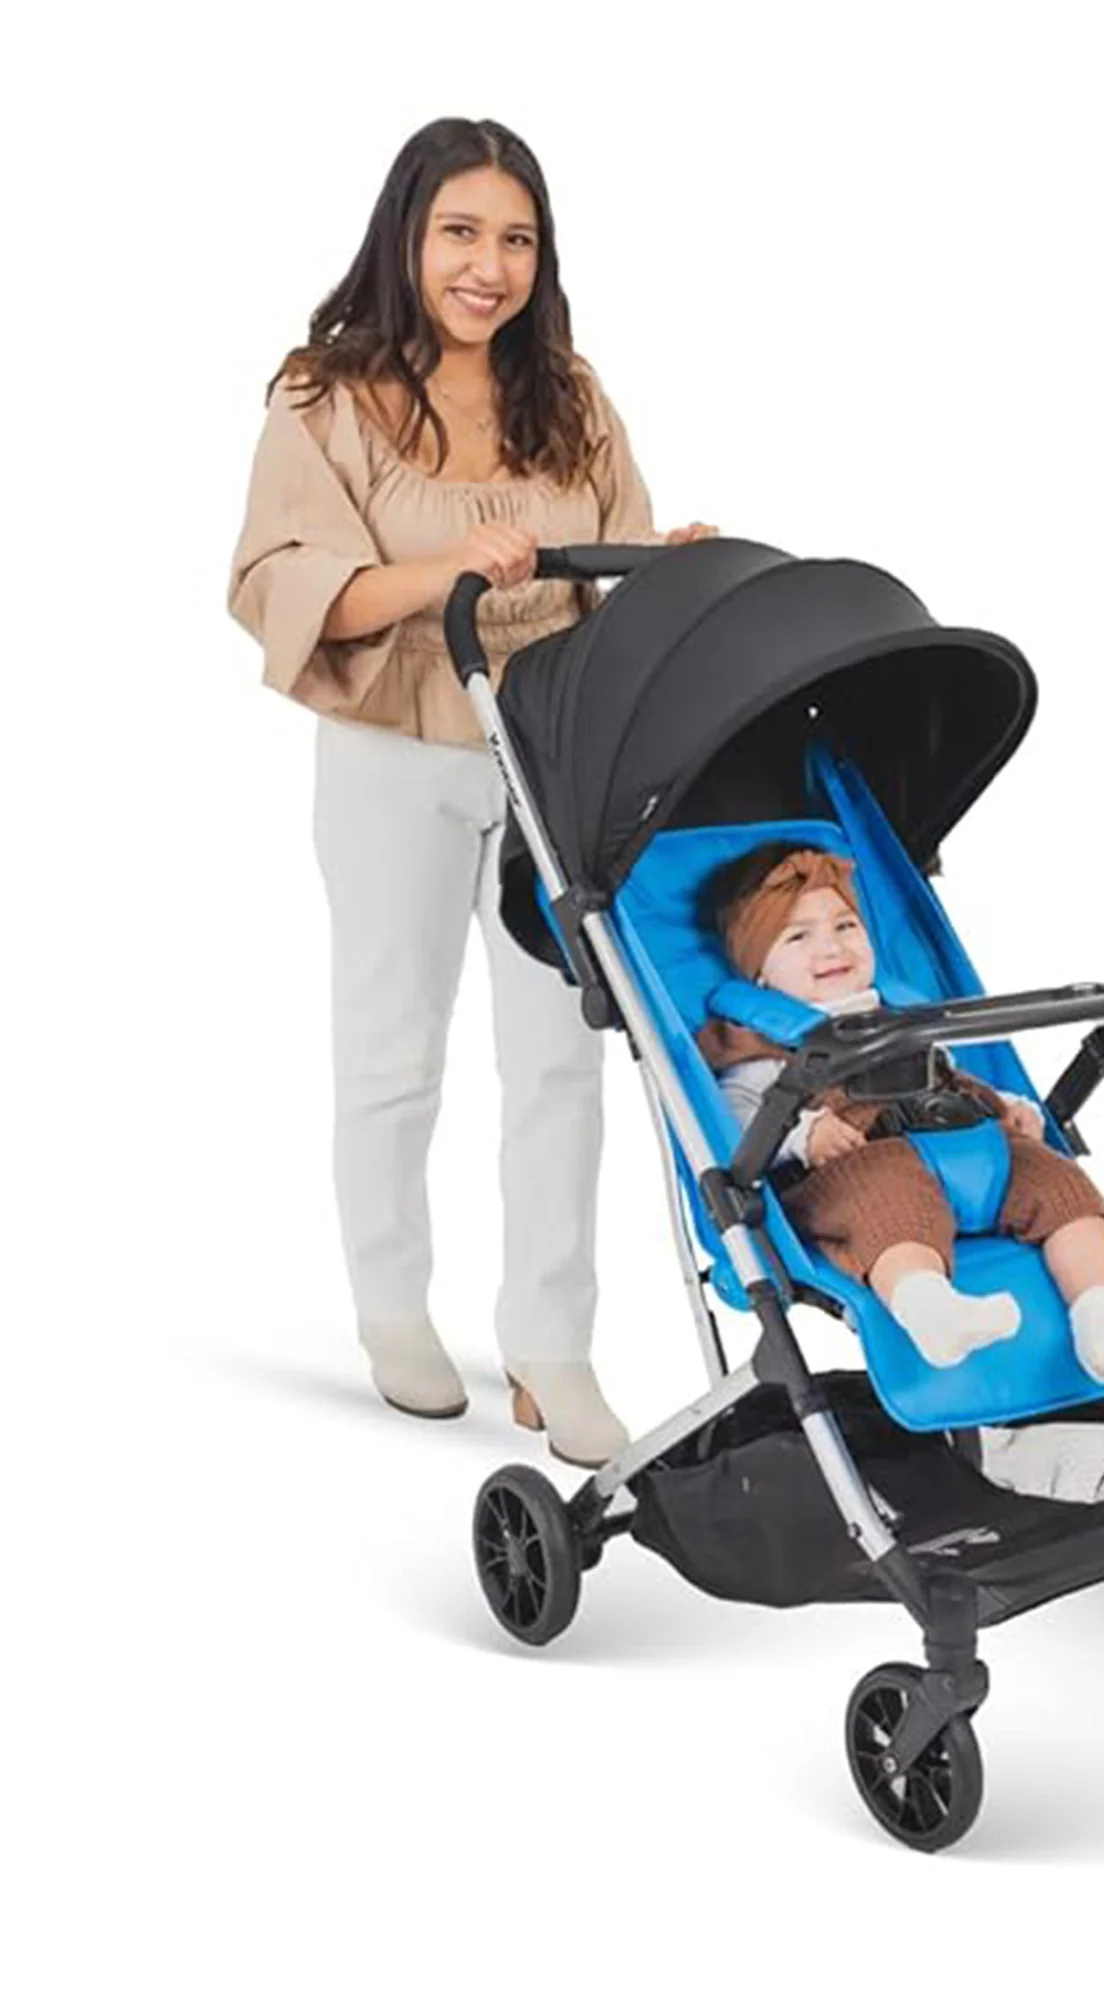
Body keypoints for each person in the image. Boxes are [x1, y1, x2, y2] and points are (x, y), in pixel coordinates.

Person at [227, 116, 715, 1467]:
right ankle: (393, 1307)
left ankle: (552, 1344)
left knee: (562, 1052)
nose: (486, 267)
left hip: (548, 753)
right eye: (459, 233)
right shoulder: (326, 397)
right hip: (392, 746)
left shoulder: (570, 395)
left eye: (515, 239)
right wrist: (444, 576)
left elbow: (613, 563)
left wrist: (669, 558)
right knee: (394, 1045)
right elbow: (285, 579)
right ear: (407, 234)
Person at [697, 844, 1104, 1385]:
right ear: (759, 975)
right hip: (859, 1169)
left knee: (1062, 1187)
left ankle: (1102, 1316)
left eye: (845, 925)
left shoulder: (903, 1014)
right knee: (886, 1204)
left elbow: (952, 1079)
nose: (832, 946)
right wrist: (802, 1135)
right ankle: (935, 1313)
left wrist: (1009, 1108)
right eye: (798, 937)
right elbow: (734, 1121)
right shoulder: (761, 1047)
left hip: (970, 1153)